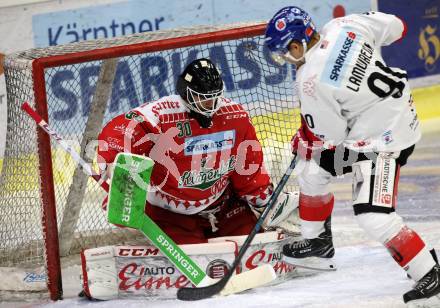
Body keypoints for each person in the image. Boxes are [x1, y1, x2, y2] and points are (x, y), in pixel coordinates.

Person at [264, 7, 440, 304]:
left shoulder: (309, 79)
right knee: (312, 170)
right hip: (395, 115)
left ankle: (430, 274)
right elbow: (398, 27)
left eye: (284, 53)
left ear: (296, 45)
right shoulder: (345, 24)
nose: (285, 60)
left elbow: (330, 135)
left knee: (373, 215)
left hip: (384, 142)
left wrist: (306, 137)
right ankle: (318, 243)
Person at [97, 58, 298, 245]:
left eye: (214, 98)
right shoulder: (162, 114)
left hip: (223, 204)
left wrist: (263, 200)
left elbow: (248, 165)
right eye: (203, 99)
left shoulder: (234, 115)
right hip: (169, 212)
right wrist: (114, 162)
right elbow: (123, 128)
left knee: (250, 245)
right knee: (193, 257)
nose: (210, 105)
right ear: (186, 92)